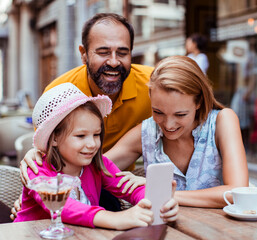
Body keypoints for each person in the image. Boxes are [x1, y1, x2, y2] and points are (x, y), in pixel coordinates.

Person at [13, 12, 153, 219]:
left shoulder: (153, 85)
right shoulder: (59, 92)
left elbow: (126, 185)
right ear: (84, 54)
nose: (114, 62)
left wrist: (154, 199)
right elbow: (45, 159)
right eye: (103, 52)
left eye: (122, 52)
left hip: (99, 184)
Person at [13, 83, 178, 229]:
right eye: (81, 136)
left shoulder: (97, 165)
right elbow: (64, 207)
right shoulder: (37, 168)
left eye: (96, 134)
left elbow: (129, 187)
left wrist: (154, 204)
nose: (92, 144)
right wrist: (114, 218)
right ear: (54, 138)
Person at [106, 56, 249, 208]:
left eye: (180, 115)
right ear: (150, 97)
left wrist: (161, 192)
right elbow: (92, 170)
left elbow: (238, 192)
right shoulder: (146, 132)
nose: (168, 125)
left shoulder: (223, 121)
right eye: (158, 112)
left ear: (199, 102)